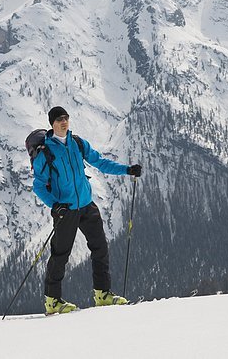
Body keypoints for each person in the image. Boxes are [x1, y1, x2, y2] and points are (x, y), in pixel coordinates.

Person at [32, 106, 142, 314]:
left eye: (66, 118)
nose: (64, 122)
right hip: (66, 210)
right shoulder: (45, 153)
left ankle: (103, 294)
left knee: (100, 248)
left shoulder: (78, 144)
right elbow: (38, 185)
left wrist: (127, 170)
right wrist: (55, 205)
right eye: (59, 119)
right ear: (52, 124)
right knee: (60, 255)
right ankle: (52, 301)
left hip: (86, 204)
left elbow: (100, 163)